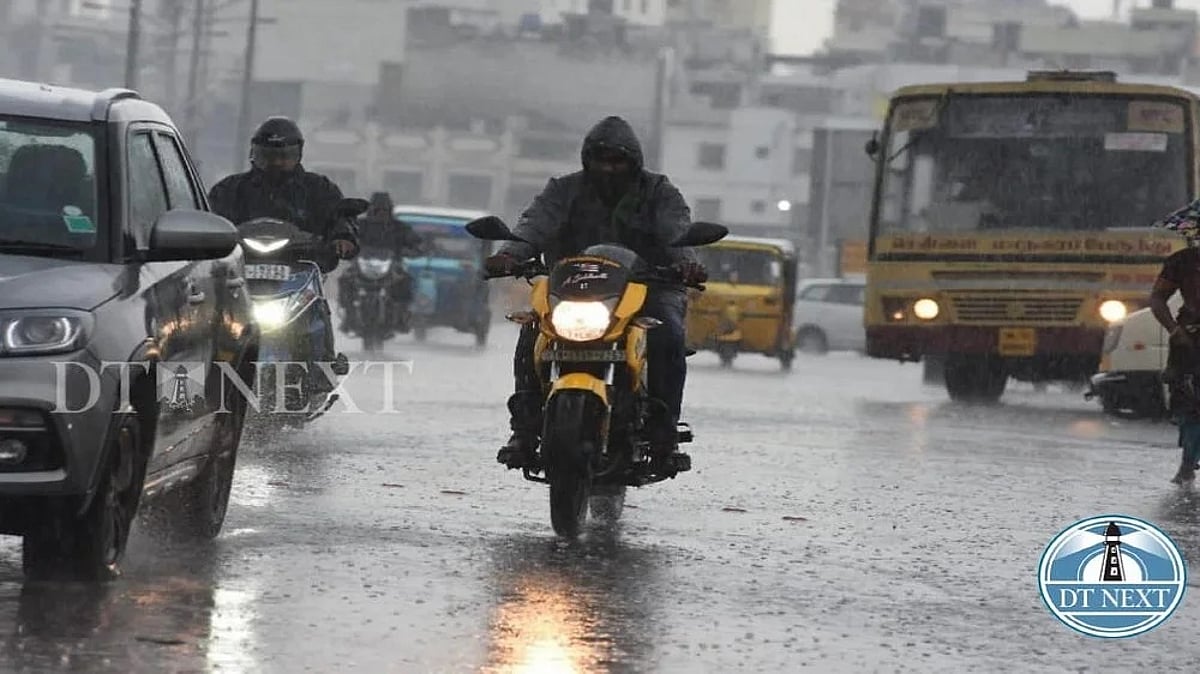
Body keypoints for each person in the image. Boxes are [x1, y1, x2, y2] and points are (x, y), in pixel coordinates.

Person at [484, 115, 708, 470]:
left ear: (633, 161)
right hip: (572, 288)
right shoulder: (563, 189)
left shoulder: (658, 192)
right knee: (533, 330)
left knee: (668, 334)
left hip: (648, 287)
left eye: (618, 161)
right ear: (587, 159)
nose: (609, 169)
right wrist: (510, 255)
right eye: (601, 160)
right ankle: (524, 430)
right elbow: (535, 224)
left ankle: (663, 434)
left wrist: (686, 262)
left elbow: (675, 230)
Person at [208, 116, 359, 391]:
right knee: (202, 309)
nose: (276, 163)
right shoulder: (231, 189)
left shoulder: (318, 189)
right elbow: (209, 219)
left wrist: (342, 237)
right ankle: (199, 372)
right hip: (239, 271)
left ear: (298, 155)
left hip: (298, 270)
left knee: (315, 308)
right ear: (254, 154)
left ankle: (320, 369)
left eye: (284, 156)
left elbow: (339, 217)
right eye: (268, 156)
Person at [1149, 238, 1200, 484]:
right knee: (1188, 404)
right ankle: (1188, 462)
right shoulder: (1182, 261)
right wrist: (1174, 330)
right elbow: (1158, 298)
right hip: (1189, 340)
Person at [338, 191, 425, 331]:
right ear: (371, 210)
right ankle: (349, 316)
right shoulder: (360, 225)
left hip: (391, 267)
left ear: (390, 210)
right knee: (345, 280)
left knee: (406, 281)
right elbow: (345, 237)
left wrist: (410, 251)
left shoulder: (399, 227)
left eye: (384, 210)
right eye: (377, 210)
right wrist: (345, 247)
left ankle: (402, 317)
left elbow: (417, 243)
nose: (381, 214)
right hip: (362, 265)